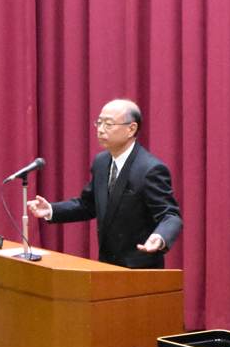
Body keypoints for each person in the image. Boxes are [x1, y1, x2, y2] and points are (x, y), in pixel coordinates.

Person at [28, 99, 182, 269]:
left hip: (140, 269)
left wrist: (160, 236)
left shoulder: (150, 169)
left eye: (109, 124)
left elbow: (170, 215)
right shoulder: (101, 162)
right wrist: (51, 210)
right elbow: (88, 205)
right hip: (107, 265)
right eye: (99, 123)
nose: (100, 130)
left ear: (131, 129)